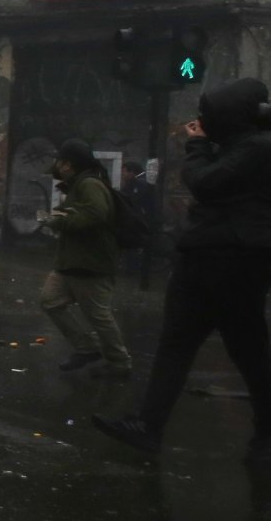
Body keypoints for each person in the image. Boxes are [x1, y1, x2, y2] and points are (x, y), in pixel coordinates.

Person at [94, 78, 271, 465]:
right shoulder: (246, 145)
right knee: (190, 346)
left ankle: (261, 433)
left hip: (230, 259)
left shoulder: (257, 148)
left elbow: (206, 183)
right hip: (214, 258)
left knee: (245, 351)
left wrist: (197, 145)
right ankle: (149, 426)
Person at [39, 138, 132, 379]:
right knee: (50, 300)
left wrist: (59, 221)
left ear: (68, 164)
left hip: (91, 263)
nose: (57, 168)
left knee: (98, 316)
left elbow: (95, 214)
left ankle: (120, 363)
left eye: (59, 163)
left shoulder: (90, 184)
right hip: (71, 262)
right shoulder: (77, 184)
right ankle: (86, 349)